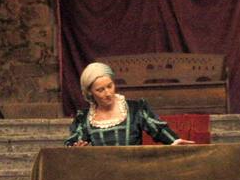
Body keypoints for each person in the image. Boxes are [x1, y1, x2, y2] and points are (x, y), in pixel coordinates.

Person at [65, 62, 194, 146]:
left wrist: (174, 141)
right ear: (90, 93)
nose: (108, 93)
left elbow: (158, 129)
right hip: (101, 177)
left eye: (110, 86)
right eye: (100, 90)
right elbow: (75, 142)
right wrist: (77, 148)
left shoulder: (135, 109)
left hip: (134, 174)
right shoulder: (84, 118)